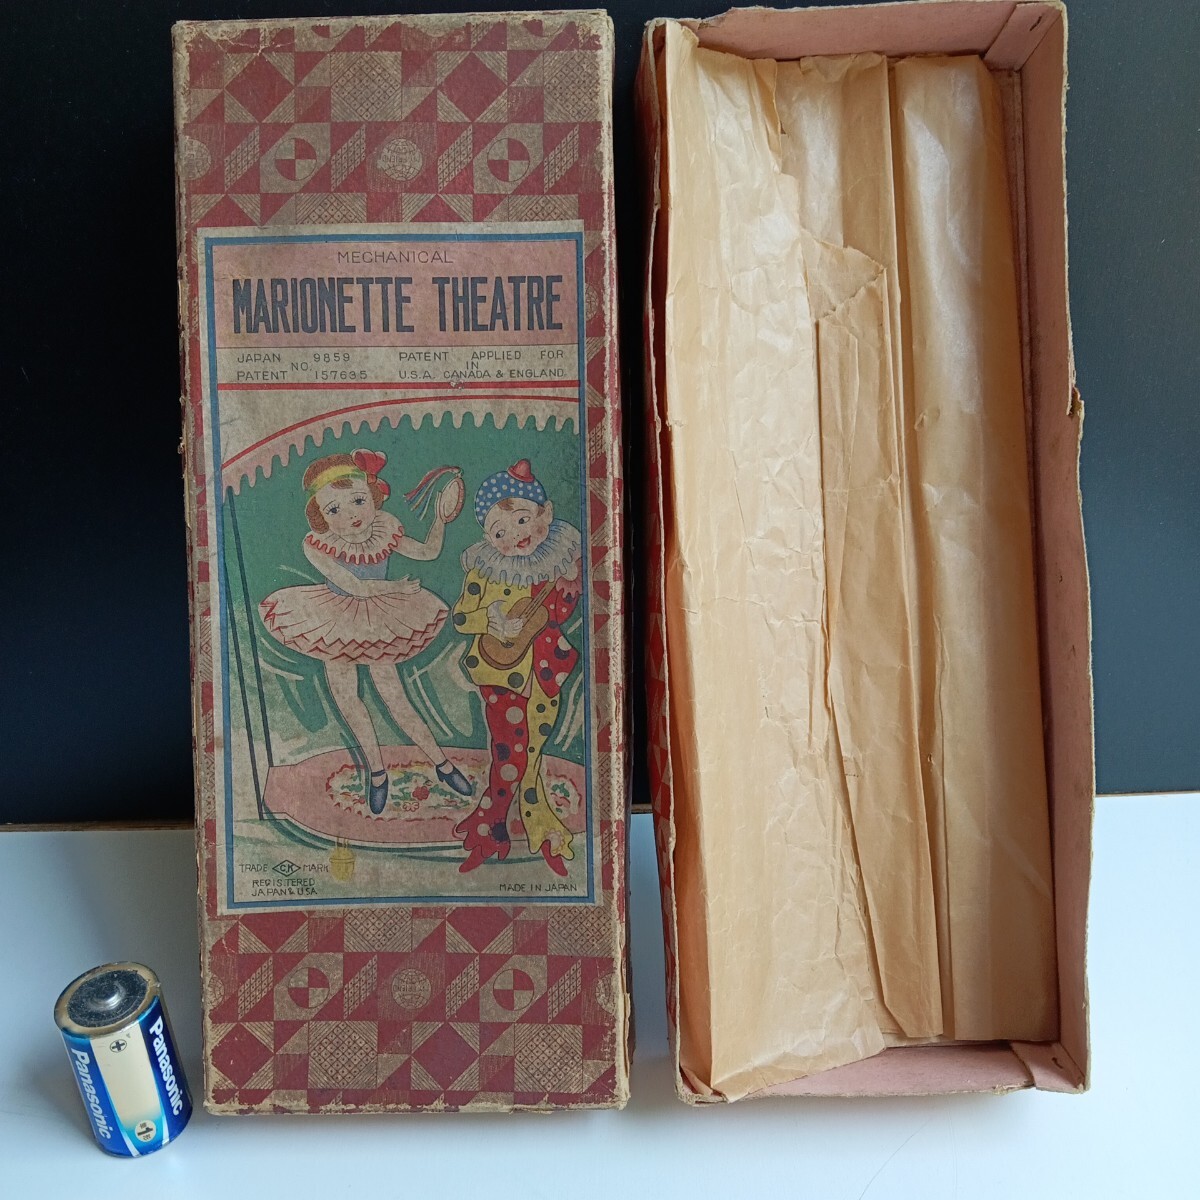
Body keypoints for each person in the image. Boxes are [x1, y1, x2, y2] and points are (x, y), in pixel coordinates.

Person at [259, 449, 472, 814]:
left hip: (378, 621)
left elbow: (428, 552)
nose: (350, 515)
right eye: (333, 510)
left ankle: (442, 763)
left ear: (373, 497)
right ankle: (377, 773)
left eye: (358, 501)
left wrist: (440, 518)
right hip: (334, 618)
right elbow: (353, 586)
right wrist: (396, 588)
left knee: (395, 697)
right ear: (321, 517)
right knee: (347, 699)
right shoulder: (317, 545)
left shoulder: (384, 529)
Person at [450, 460, 583, 876]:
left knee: (532, 757)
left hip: (546, 672)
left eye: (523, 520)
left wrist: (569, 586)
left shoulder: (555, 561)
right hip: (499, 673)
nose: (515, 536)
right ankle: (493, 828)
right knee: (510, 755)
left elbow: (556, 615)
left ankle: (531, 829)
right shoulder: (484, 568)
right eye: (499, 532)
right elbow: (461, 616)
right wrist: (488, 621)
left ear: (545, 514)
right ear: (487, 538)